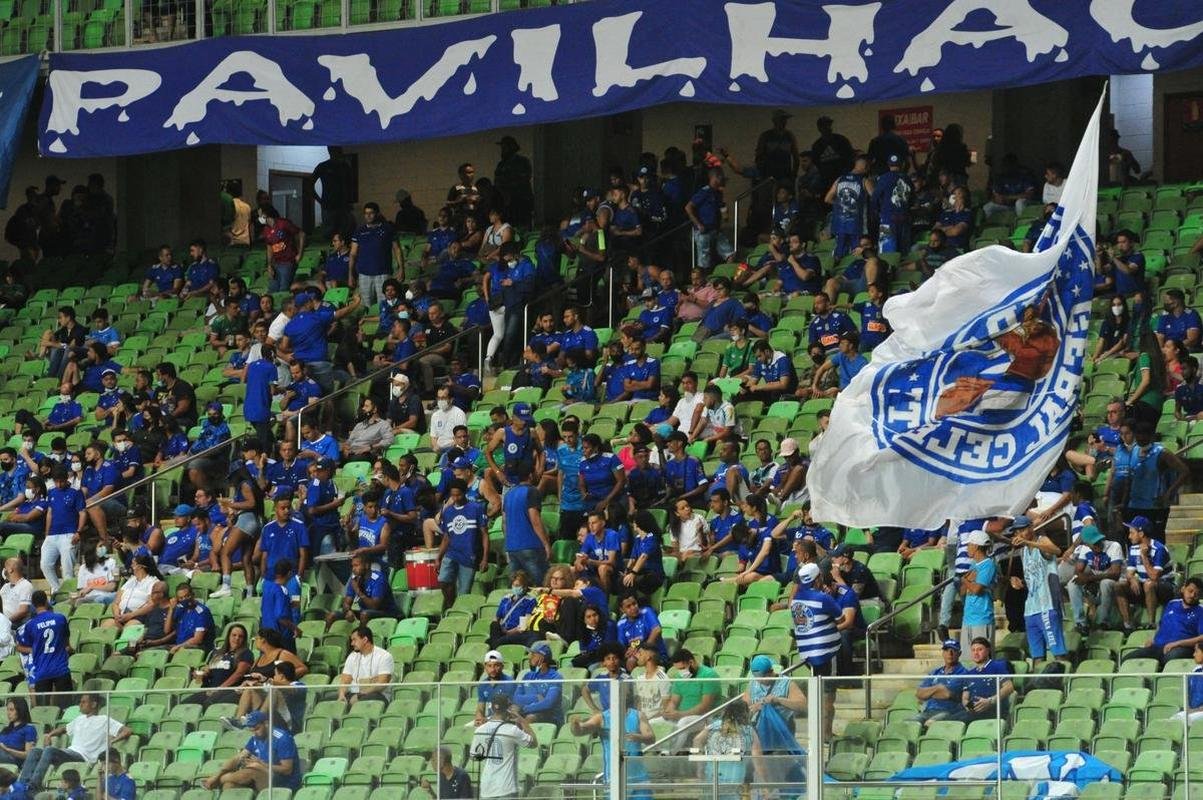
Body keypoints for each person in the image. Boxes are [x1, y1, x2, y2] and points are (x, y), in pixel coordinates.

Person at [17, 694, 131, 791]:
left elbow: (127, 730)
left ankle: (33, 785)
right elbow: (63, 729)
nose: (80, 704)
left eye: (84, 702)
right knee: (35, 751)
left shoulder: (104, 719)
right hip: (70, 752)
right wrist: (49, 734)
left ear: (94, 704)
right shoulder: (79, 719)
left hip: (84, 756)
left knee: (49, 750)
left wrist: (113, 741)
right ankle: (21, 785)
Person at [1008, 515, 1068, 664]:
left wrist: (1029, 542)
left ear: (1030, 528)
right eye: (1016, 532)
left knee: (1058, 652)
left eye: (1021, 530)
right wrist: (1020, 582)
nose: (1019, 534)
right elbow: (1034, 577)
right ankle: (1038, 685)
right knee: (1037, 656)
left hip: (1047, 605)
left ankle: (1063, 681)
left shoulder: (1041, 540)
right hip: (1030, 609)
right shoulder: (1023, 552)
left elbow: (1056, 550)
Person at [202, 710, 300, 793]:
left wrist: (261, 764)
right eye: (251, 729)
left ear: (266, 723)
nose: (254, 732)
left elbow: (287, 770)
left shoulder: (282, 738)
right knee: (229, 785)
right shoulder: (255, 737)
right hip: (263, 777)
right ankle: (217, 779)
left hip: (284, 781)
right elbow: (239, 757)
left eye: (257, 728)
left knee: (252, 771)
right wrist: (216, 775)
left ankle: (217, 782)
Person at [691, 699, 763, 800]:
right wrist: (764, 783)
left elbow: (697, 740)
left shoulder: (714, 726)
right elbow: (757, 759)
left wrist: (700, 767)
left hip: (712, 774)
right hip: (734, 777)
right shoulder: (748, 731)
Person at [1121, 577, 1203, 665]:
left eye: (1196, 594)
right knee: (1128, 659)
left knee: (1170, 658)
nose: (1192, 596)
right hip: (1158, 647)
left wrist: (1178, 643)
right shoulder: (1172, 603)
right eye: (1190, 591)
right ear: (1183, 589)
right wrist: (1153, 639)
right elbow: (1161, 624)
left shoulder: (1200, 611)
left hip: (1181, 648)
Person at [471, 694, 538, 800]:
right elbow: (533, 743)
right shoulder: (512, 730)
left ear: (492, 708)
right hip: (507, 786)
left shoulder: (479, 730)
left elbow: (475, 756)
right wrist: (521, 720)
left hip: (487, 786)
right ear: (508, 709)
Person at [1066, 524, 1122, 633]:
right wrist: (1086, 579)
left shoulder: (1114, 546)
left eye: (1098, 542)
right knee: (1072, 583)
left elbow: (1115, 573)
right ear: (1087, 543)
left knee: (1105, 583)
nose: (1096, 545)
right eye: (1093, 543)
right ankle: (1081, 623)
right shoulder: (1085, 549)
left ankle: (1103, 623)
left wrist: (1090, 579)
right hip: (1096, 581)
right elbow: (1077, 571)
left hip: (1117, 584)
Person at [17, 591, 72, 704]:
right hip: (60, 669)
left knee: (43, 710)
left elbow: (23, 647)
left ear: (33, 604)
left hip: (42, 671)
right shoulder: (60, 618)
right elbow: (66, 644)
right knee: (66, 707)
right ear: (46, 601)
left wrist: (36, 649)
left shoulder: (30, 625)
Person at [661, 648, 720, 752]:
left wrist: (680, 714)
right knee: (655, 721)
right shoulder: (679, 677)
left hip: (705, 717)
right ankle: (652, 753)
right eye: (678, 669)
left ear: (691, 662)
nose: (681, 672)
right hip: (681, 715)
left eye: (682, 668)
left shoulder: (709, 675)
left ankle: (670, 755)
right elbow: (674, 701)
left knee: (684, 722)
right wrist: (669, 712)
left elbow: (705, 706)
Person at [501, 463, 550, 586]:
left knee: (517, 586)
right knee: (542, 585)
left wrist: (509, 542)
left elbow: (504, 523)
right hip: (531, 545)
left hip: (512, 547)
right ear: (531, 475)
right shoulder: (532, 491)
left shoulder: (508, 494)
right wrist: (546, 544)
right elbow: (535, 520)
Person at [949, 638, 1014, 724]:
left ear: (988, 650)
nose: (976, 653)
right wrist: (971, 706)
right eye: (973, 650)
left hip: (994, 711)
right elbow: (965, 698)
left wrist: (990, 701)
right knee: (945, 721)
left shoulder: (998, 666)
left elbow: (1009, 687)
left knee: (954, 722)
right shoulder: (969, 673)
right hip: (973, 712)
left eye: (980, 649)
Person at [911, 640, 969, 727]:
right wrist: (938, 688)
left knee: (930, 724)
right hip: (928, 711)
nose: (950, 653)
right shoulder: (935, 672)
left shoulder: (964, 673)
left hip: (949, 712)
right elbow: (919, 694)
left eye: (953, 650)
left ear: (959, 653)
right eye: (946, 650)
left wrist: (930, 693)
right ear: (942, 653)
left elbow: (947, 694)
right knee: (908, 723)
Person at [959, 530, 997, 651]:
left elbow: (976, 589)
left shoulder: (988, 564)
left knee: (983, 659)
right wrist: (966, 581)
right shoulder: (973, 565)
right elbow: (962, 592)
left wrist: (965, 580)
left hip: (982, 619)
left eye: (969, 545)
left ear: (975, 546)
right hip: (968, 619)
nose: (967, 549)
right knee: (967, 660)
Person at [338, 626, 394, 704]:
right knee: (327, 700)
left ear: (365, 640)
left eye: (354, 640)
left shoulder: (384, 656)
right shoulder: (352, 656)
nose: (352, 643)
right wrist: (341, 694)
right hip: (353, 693)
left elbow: (382, 683)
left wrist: (360, 695)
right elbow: (345, 680)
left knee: (364, 700)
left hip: (376, 694)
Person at [512, 642, 563, 724]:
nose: (529, 657)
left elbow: (548, 703)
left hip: (549, 716)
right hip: (528, 711)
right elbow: (516, 698)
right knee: (512, 712)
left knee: (530, 717)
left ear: (542, 658)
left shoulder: (555, 677)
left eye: (533, 655)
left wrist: (525, 708)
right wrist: (536, 698)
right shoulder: (527, 676)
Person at [1171, 641, 1203, 726]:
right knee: (1173, 720)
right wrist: (1189, 710)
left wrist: (1194, 711)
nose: (1193, 655)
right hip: (1192, 711)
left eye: (1196, 651)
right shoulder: (1195, 671)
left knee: (1185, 720)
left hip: (1199, 712)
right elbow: (1188, 693)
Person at [0, 698, 35, 768]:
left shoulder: (29, 728)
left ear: (20, 711)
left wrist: (8, 750)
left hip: (14, 759)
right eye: (7, 710)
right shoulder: (6, 729)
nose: (8, 713)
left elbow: (28, 755)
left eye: (12, 710)